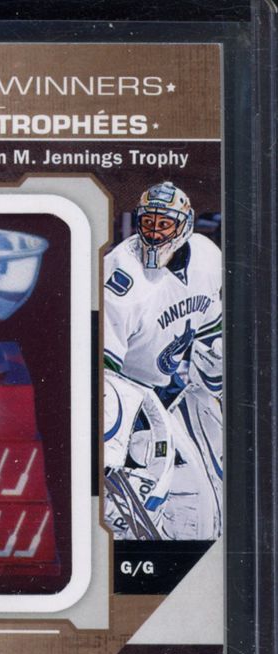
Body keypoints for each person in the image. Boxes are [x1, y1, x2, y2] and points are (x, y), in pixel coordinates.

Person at [103, 181, 222, 541]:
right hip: (126, 392)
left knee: (207, 492)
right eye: (148, 222)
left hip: (171, 387)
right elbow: (102, 371)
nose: (154, 233)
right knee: (141, 498)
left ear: (185, 225)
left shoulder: (206, 256)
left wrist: (217, 382)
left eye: (164, 224)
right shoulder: (121, 273)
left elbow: (211, 331)